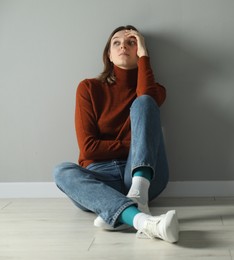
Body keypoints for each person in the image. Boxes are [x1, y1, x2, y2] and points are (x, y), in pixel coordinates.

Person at [53, 25, 179, 243]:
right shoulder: (89, 88)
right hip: (100, 178)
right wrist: (138, 143)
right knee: (62, 171)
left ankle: (135, 197)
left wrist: (144, 57)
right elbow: (89, 148)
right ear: (109, 55)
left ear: (140, 52)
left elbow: (146, 100)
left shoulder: (156, 90)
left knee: (144, 102)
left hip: (144, 175)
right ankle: (142, 220)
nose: (124, 46)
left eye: (132, 43)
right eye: (117, 43)